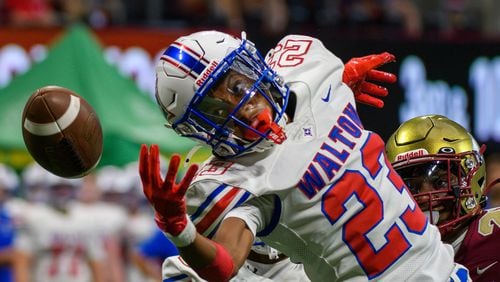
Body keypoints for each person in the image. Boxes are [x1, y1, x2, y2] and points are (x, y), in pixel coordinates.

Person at [140, 30, 470, 281]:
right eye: (215, 108)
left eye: (236, 84)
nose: (237, 103)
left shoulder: (313, 68)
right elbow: (224, 264)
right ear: (200, 128)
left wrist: (341, 86)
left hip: (444, 268)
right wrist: (178, 228)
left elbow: (311, 110)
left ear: (252, 64)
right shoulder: (235, 182)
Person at [385, 114, 500, 282]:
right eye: (411, 187)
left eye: (440, 181)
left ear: (472, 176)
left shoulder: (494, 238)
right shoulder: (393, 251)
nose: (424, 198)